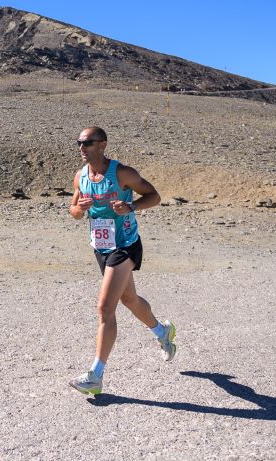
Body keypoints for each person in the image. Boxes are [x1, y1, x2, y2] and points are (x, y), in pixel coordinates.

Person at [68, 126, 176, 396]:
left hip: (125, 246)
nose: (82, 147)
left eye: (87, 143)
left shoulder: (122, 174)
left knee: (105, 308)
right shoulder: (81, 177)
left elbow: (154, 196)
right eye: (79, 143)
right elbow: (74, 211)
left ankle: (95, 375)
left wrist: (132, 207)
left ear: (102, 144)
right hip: (101, 247)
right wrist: (79, 209)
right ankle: (162, 332)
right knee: (130, 300)